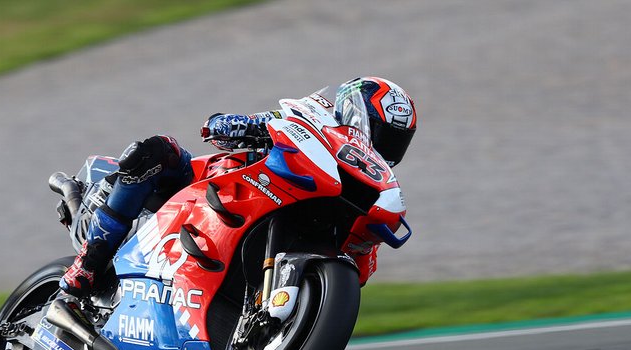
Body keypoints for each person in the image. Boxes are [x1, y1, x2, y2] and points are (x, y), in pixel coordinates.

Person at [60, 77, 417, 297]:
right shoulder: (308, 117)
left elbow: (357, 275)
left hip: (261, 232)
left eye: (395, 142)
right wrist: (234, 125)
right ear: (355, 112)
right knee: (156, 149)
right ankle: (89, 264)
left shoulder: (368, 183)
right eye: (382, 132)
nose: (385, 148)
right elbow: (223, 126)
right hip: (205, 190)